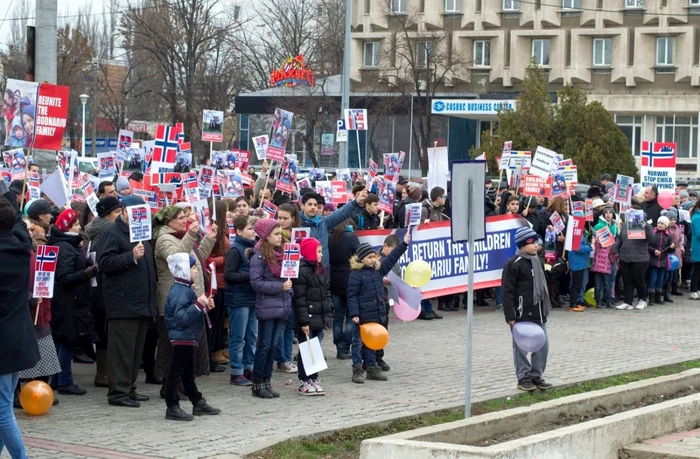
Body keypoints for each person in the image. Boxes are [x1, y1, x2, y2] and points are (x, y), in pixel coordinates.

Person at [97, 196, 156, 408]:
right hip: (123, 303)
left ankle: (129, 388)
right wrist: (130, 256)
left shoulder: (142, 232)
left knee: (134, 351)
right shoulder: (112, 233)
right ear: (123, 211)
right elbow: (104, 263)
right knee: (121, 351)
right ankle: (118, 393)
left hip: (141, 302)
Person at [153, 205, 217, 391]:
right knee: (173, 346)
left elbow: (196, 260)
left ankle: (184, 384)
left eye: (186, 216)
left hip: (189, 299)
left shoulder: (181, 237)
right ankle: (170, 386)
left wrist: (208, 240)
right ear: (169, 221)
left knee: (189, 344)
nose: (185, 220)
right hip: (173, 301)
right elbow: (177, 259)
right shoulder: (164, 239)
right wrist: (190, 236)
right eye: (181, 217)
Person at [0, 180, 40, 459]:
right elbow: (14, 216)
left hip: (3, 342)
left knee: (2, 410)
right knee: (2, 405)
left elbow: (12, 214)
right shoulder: (22, 243)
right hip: (18, 337)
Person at [163, 253, 221, 421]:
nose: (196, 271)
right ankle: (172, 405)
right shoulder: (181, 292)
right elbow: (181, 318)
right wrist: (198, 305)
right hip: (182, 336)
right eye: (193, 268)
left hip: (187, 336)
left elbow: (189, 314)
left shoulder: (185, 290)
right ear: (183, 271)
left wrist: (203, 308)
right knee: (176, 371)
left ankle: (197, 401)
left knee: (188, 372)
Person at [47, 209, 98, 396]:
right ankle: (65, 381)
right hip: (67, 301)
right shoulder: (66, 248)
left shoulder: (64, 245)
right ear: (67, 227)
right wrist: (86, 273)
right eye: (76, 225)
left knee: (61, 340)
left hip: (63, 300)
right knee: (67, 341)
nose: (80, 228)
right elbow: (65, 277)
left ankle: (56, 379)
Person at [347, 231, 410, 383]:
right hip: (362, 315)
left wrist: (404, 244)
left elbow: (392, 258)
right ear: (361, 259)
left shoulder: (378, 270)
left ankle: (372, 368)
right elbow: (352, 296)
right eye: (369, 257)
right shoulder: (356, 274)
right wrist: (354, 313)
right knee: (357, 343)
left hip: (376, 313)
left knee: (372, 342)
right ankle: (357, 369)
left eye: (374, 256)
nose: (372, 259)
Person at [501, 227, 552, 392]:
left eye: (536, 241)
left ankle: (536, 375)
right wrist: (510, 315)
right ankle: (523, 377)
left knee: (543, 345)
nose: (536, 245)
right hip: (521, 314)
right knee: (521, 348)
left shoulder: (538, 261)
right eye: (532, 243)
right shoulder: (513, 264)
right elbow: (507, 291)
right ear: (522, 245)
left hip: (538, 312)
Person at [249, 219, 292, 398]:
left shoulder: (281, 253)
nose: (279, 237)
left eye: (280, 233)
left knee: (273, 346)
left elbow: (288, 276)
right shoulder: (258, 256)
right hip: (267, 305)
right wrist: (280, 288)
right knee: (264, 345)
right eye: (275, 234)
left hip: (282, 305)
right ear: (266, 236)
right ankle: (258, 383)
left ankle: (267, 381)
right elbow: (256, 283)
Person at [86, 196, 123, 388]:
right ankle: (104, 373)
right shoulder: (108, 232)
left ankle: (104, 372)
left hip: (97, 287)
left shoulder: (95, 230)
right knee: (106, 331)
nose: (120, 215)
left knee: (103, 330)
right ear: (107, 214)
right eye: (117, 212)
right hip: (103, 287)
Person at [292, 237, 332, 395]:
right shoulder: (302, 272)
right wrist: (304, 321)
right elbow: (299, 299)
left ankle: (314, 377)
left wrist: (329, 307)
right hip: (308, 318)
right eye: (318, 251)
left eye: (321, 251)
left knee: (315, 349)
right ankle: (304, 380)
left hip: (319, 316)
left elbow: (326, 291)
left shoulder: (320, 269)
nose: (321, 255)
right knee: (306, 350)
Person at [225, 215, 258, 386]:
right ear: (239, 231)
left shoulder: (255, 248)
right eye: (250, 229)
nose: (253, 232)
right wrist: (250, 276)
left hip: (252, 298)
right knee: (238, 337)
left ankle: (248, 367)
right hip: (238, 299)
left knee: (252, 335)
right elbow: (229, 275)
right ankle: (236, 371)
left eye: (254, 229)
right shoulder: (235, 250)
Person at [300, 190, 365, 271]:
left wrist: (356, 202)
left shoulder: (323, 222)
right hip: (305, 270)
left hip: (323, 269)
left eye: (315, 205)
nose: (313, 207)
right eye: (310, 204)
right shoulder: (297, 224)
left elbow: (342, 213)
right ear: (302, 206)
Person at [613, 207, 655, 310]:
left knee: (638, 280)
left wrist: (646, 228)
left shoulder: (646, 226)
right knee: (627, 280)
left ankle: (642, 299)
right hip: (625, 257)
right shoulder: (626, 225)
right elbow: (620, 238)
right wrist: (615, 248)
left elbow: (652, 240)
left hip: (640, 258)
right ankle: (628, 302)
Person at [275, 204, 299, 374]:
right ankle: (281, 359)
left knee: (290, 326)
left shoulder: (299, 236)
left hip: (296, 284)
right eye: (279, 217)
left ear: (293, 219)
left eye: (285, 218)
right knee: (281, 326)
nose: (281, 221)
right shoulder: (274, 237)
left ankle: (287, 358)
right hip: (281, 285)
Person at [592, 207, 617, 308]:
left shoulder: (615, 226)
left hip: (608, 261)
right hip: (600, 261)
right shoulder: (599, 226)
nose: (608, 215)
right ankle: (600, 301)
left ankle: (607, 301)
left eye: (610, 213)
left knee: (608, 283)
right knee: (599, 284)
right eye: (606, 213)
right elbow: (594, 243)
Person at [648, 216, 674, 305]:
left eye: (662, 223)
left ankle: (658, 297)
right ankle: (651, 297)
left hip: (663, 261)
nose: (660, 225)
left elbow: (671, 250)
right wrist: (653, 251)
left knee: (660, 279)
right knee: (653, 279)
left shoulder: (668, 235)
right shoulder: (653, 233)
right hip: (653, 260)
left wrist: (672, 247)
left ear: (666, 225)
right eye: (659, 223)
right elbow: (647, 246)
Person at [566, 227, 591, 313]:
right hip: (577, 264)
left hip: (580, 263)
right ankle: (573, 304)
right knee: (576, 284)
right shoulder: (576, 235)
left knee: (579, 284)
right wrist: (590, 247)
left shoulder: (578, 234)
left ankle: (576, 302)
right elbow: (578, 249)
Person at [689, 199, 700, 300]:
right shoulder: (697, 217)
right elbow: (699, 233)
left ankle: (698, 289)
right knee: (697, 269)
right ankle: (693, 290)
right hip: (698, 247)